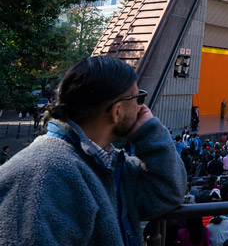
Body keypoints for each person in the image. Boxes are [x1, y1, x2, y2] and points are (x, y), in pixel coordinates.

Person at [0, 56, 187, 245]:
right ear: (117, 112)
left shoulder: (106, 165)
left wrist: (148, 131)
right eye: (138, 98)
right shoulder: (43, 174)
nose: (142, 107)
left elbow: (166, 193)